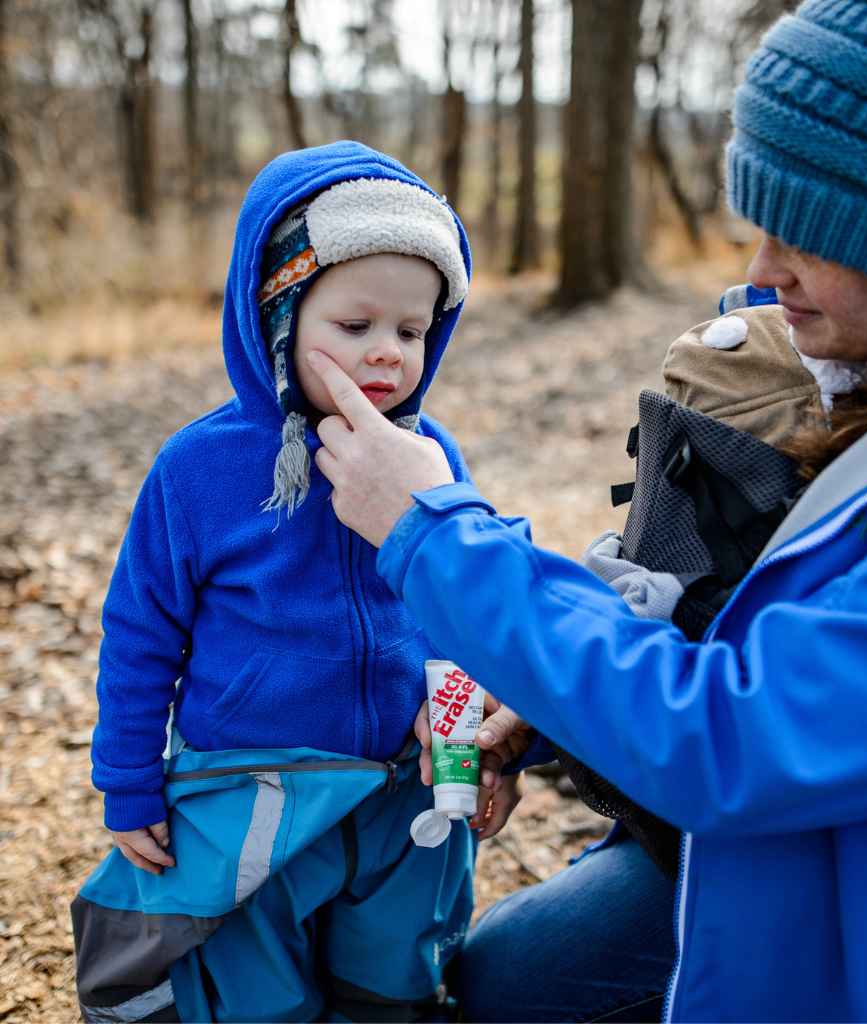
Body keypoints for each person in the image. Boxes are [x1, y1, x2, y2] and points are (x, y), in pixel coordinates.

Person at [308, 1, 867, 1019]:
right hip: (784, 854)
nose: (762, 273)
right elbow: (763, 638)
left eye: (808, 236)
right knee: (501, 979)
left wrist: (433, 530)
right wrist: (551, 712)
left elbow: (735, 736)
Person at [71, 140, 512, 1023]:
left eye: (413, 330)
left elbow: (455, 617)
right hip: (250, 789)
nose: (388, 353)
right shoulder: (199, 470)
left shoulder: (430, 458)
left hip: (397, 791)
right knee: (253, 990)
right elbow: (141, 633)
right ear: (277, 312)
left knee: (394, 979)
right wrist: (127, 780)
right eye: (355, 327)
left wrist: (471, 753)